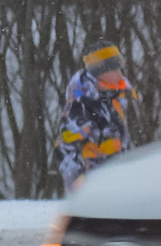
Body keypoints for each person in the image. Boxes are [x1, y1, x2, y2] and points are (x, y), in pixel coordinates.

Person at [54, 44, 138, 193]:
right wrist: (80, 185)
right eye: (114, 68)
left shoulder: (115, 97)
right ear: (99, 71)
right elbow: (65, 149)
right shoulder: (81, 105)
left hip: (120, 183)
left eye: (119, 67)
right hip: (96, 187)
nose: (119, 73)